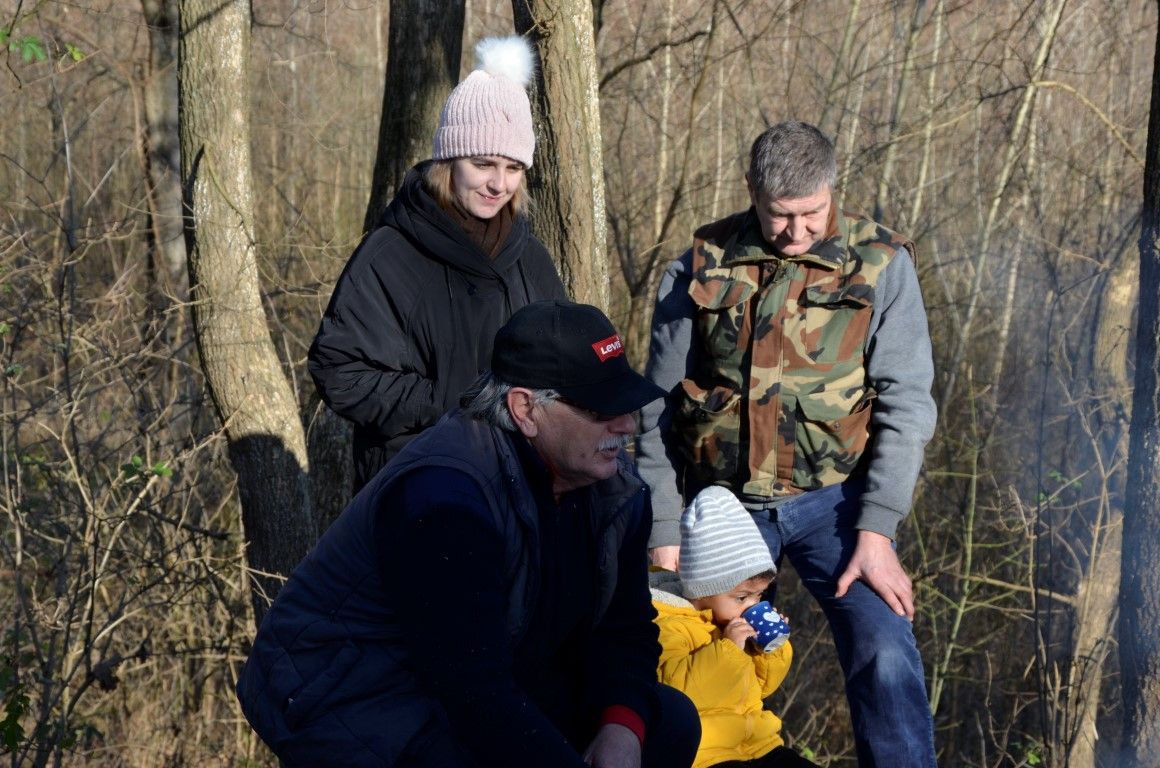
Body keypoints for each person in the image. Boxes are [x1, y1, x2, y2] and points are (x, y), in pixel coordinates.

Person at [237, 300, 701, 768]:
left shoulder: (614, 490)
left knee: (669, 723)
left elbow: (624, 629)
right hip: (353, 695)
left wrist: (622, 728)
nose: (626, 425)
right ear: (525, 409)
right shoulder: (443, 498)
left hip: (480, 681)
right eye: (601, 409)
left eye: (626, 402)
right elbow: (472, 689)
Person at [635, 121, 938, 767]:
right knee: (713, 670)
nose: (797, 232)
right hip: (721, 510)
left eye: (812, 213)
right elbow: (652, 408)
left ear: (832, 189)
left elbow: (909, 403)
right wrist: (663, 524)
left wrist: (878, 531)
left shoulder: (882, 263)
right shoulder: (699, 265)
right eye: (780, 215)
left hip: (838, 505)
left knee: (886, 649)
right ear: (751, 190)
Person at [308, 35, 566, 492]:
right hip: (416, 483)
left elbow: (564, 359)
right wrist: (447, 399)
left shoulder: (530, 256)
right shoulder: (392, 253)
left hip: (520, 486)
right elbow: (339, 369)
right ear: (449, 159)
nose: (499, 184)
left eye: (513, 168)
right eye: (483, 163)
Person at [650, 486, 818, 768]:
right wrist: (728, 650)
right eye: (742, 597)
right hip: (707, 754)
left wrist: (770, 651)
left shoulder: (732, 623)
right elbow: (680, 695)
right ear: (703, 590)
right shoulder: (669, 625)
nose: (752, 605)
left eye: (759, 595)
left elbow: (762, 688)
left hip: (758, 745)